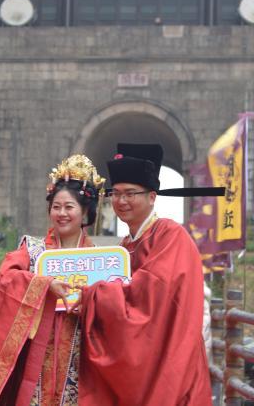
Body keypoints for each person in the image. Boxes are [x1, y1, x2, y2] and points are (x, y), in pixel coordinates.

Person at [75, 143, 212, 405]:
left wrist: (93, 295)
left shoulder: (171, 236)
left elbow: (150, 296)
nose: (121, 201)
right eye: (116, 193)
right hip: (142, 363)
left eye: (130, 193)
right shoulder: (124, 246)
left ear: (152, 197)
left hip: (171, 359)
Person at [0, 154, 105, 405]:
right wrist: (42, 285)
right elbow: (7, 278)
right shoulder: (32, 249)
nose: (61, 213)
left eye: (69, 207)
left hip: (80, 354)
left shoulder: (99, 259)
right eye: (56, 207)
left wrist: (92, 302)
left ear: (85, 211)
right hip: (35, 355)